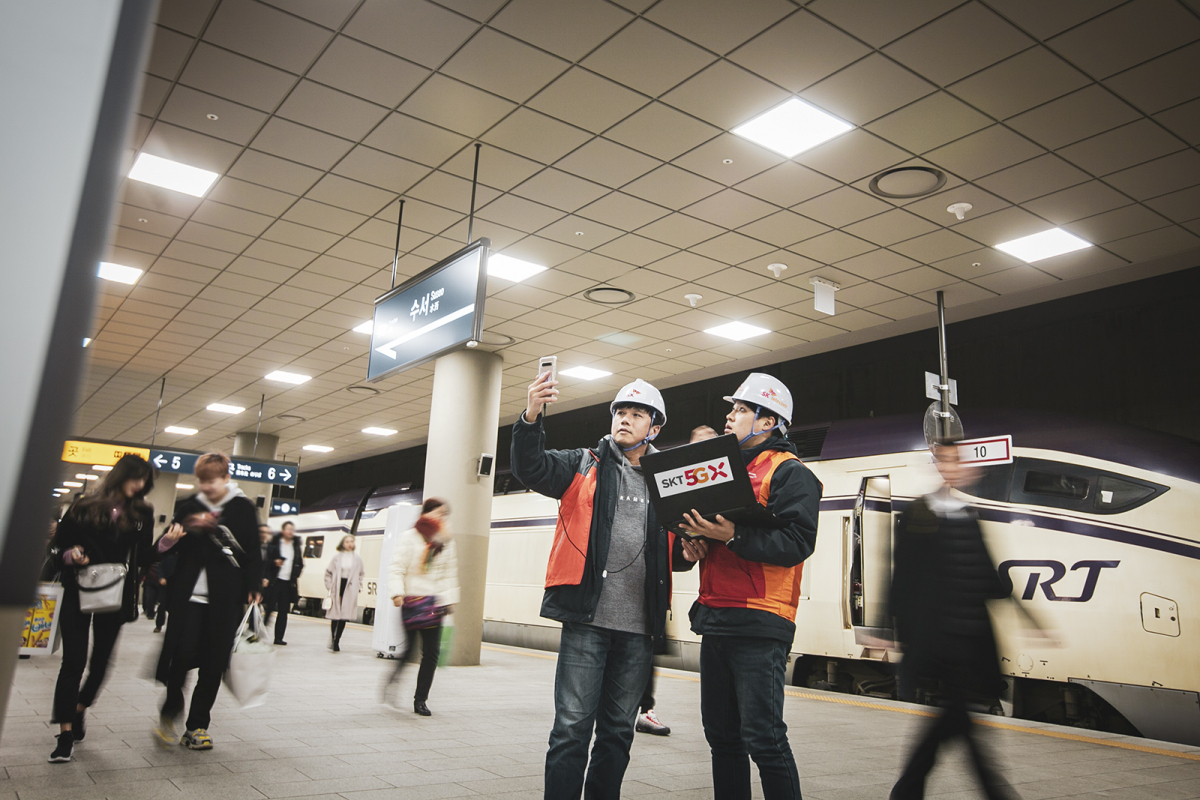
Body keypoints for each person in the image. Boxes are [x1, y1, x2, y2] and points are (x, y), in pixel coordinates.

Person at [513, 374, 686, 800]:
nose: (625, 419)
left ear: (655, 427)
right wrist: (531, 416)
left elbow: (676, 553)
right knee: (571, 728)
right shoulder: (582, 463)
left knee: (617, 734)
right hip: (587, 621)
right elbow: (530, 468)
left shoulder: (670, 479)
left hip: (639, 629)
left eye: (637, 414)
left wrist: (690, 552)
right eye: (620, 412)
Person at [677, 373, 822, 800]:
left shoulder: (789, 472)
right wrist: (696, 542)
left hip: (761, 618)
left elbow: (797, 543)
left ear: (767, 421)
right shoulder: (723, 471)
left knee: (764, 738)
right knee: (721, 737)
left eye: (741, 410)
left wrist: (734, 535)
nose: (730, 416)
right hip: (716, 616)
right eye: (732, 408)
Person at [888, 441, 1017, 800]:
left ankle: (907, 791)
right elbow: (903, 576)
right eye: (945, 461)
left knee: (956, 720)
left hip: (972, 637)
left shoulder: (967, 514)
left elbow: (986, 574)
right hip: (939, 638)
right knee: (960, 720)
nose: (953, 467)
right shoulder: (920, 513)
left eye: (957, 461)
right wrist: (896, 630)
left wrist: (1024, 612)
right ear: (938, 467)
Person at [46, 455, 155, 763]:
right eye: (135, 478)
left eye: (144, 480)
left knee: (101, 664)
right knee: (73, 661)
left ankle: (79, 708)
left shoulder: (142, 513)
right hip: (77, 590)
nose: (139, 485)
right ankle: (65, 733)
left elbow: (144, 556)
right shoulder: (83, 506)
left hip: (115, 593)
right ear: (121, 476)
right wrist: (70, 555)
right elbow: (57, 547)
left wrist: (165, 545)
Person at [152, 453, 261, 750]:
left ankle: (197, 726)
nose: (206, 487)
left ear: (226, 478)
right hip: (188, 598)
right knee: (180, 659)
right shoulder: (191, 506)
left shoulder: (242, 509)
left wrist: (254, 585)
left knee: (213, 665)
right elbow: (164, 546)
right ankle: (169, 714)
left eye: (211, 481)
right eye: (201, 481)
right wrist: (176, 536)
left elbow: (253, 552)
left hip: (224, 601)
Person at [636, 425, 713, 739]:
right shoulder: (667, 480)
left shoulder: (713, 490)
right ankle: (633, 710)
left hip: (654, 589)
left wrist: (686, 554)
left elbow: (676, 554)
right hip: (630, 584)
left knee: (645, 652)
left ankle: (644, 709)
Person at [384, 499, 459, 715]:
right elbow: (397, 567)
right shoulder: (410, 537)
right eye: (437, 513)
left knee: (431, 653)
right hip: (412, 601)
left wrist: (450, 599)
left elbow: (450, 573)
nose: (441, 517)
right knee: (409, 651)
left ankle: (420, 700)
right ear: (425, 514)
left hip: (434, 603)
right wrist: (397, 592)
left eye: (444, 514)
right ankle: (392, 681)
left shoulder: (446, 540)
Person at [325, 534, 365, 652]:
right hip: (337, 586)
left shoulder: (357, 559)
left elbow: (361, 573)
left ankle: (337, 640)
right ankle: (333, 637)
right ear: (343, 544)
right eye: (347, 542)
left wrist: (358, 585)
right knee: (335, 615)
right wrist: (330, 585)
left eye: (351, 541)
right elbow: (328, 573)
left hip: (350, 587)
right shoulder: (336, 558)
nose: (349, 544)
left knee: (344, 616)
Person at [265, 521, 303, 645]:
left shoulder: (295, 547)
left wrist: (295, 574)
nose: (290, 532)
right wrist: (274, 563)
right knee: (269, 609)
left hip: (288, 584)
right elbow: (266, 561)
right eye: (288, 529)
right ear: (283, 531)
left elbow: (300, 563)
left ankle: (278, 638)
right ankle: (260, 633)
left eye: (292, 529)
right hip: (275, 581)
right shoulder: (275, 544)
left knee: (283, 611)